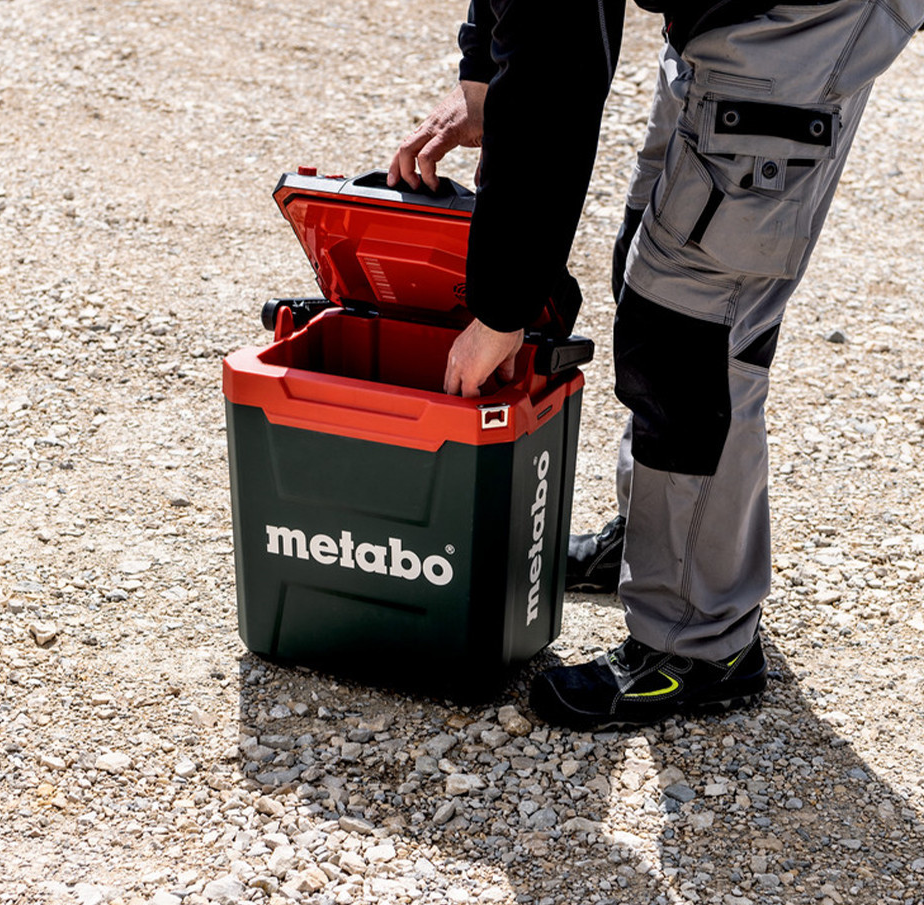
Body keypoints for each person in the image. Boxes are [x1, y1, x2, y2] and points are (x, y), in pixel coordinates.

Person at [389, 0, 924, 731]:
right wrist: (480, 77)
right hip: (719, 13)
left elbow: (554, 71)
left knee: (690, 324)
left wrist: (501, 309)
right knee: (648, 255)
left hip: (804, 12)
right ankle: (659, 545)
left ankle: (700, 643)